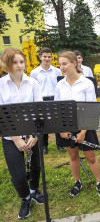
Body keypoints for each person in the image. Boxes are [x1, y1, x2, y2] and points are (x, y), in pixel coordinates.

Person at [55, 51, 100, 197]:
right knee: (73, 157)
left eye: (64, 64)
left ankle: (99, 182)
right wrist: (62, 129)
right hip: (67, 125)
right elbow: (58, 109)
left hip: (84, 124)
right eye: (60, 65)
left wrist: (83, 132)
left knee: (90, 157)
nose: (62, 67)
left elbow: (90, 110)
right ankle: (77, 182)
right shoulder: (60, 85)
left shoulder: (86, 83)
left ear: (74, 63)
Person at [0, 48, 44, 219]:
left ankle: (34, 190)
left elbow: (40, 111)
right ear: (6, 64)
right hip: (11, 137)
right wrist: (17, 139)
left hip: (32, 134)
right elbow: (2, 115)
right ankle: (25, 198)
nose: (19, 65)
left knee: (35, 167)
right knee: (18, 175)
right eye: (14, 62)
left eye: (21, 62)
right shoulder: (1, 85)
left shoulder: (33, 83)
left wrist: (34, 135)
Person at [30, 47, 65, 154]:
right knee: (43, 123)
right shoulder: (34, 72)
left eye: (49, 57)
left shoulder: (57, 71)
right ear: (40, 57)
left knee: (57, 123)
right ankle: (44, 146)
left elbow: (61, 86)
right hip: (41, 100)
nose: (47, 59)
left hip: (55, 99)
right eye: (44, 56)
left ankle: (60, 144)